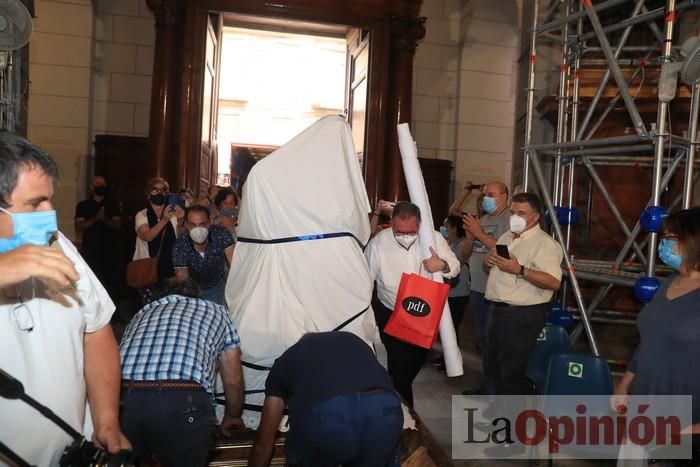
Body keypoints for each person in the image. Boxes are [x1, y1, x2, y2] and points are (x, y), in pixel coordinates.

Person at [0, 132, 130, 465]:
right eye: (34, 204)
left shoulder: (58, 245)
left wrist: (106, 420)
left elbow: (97, 329)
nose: (50, 214)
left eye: (49, 199)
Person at [119, 278, 244, 467]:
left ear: (163, 296)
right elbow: (233, 378)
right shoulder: (216, 310)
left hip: (124, 397)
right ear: (195, 295)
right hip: (182, 397)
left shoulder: (143, 313)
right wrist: (233, 415)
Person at [248, 332, 402, 467]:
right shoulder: (352, 340)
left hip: (328, 416)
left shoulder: (286, 359)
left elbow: (264, 443)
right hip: (386, 410)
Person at [611, 208, 700, 432]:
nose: (663, 245)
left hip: (685, 419)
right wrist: (623, 386)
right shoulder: (670, 282)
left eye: (670, 238)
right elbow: (649, 339)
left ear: (693, 241)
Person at [365, 201, 460, 406]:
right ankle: (404, 414)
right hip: (390, 310)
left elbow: (455, 266)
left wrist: (441, 265)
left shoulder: (433, 238)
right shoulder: (380, 242)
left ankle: (396, 400)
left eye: (410, 231)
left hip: (423, 313)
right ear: (391, 223)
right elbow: (365, 279)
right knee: (399, 367)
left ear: (419, 225)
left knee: (414, 363)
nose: (405, 235)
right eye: (399, 231)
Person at [483, 192, 563, 397]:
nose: (514, 217)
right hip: (496, 309)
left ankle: (510, 423)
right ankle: (498, 416)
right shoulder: (506, 236)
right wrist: (488, 263)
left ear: (535, 217)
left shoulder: (545, 244)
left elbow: (553, 282)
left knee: (511, 371)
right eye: (512, 212)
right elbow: (491, 268)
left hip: (521, 314)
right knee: (493, 365)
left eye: (521, 213)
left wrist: (520, 270)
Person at [461, 181, 511, 395]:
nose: (485, 198)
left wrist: (479, 233)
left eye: (490, 194)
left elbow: (506, 250)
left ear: (504, 196)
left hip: (496, 291)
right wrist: (471, 237)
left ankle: (496, 390)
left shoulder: (508, 218)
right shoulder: (483, 219)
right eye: (483, 195)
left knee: (495, 344)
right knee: (482, 341)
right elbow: (465, 255)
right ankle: (486, 385)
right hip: (478, 287)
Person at [133, 177, 183, 303]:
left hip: (171, 268)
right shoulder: (142, 215)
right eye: (155, 190)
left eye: (163, 190)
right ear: (148, 195)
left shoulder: (173, 214)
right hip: (149, 267)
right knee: (150, 306)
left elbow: (182, 238)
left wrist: (182, 220)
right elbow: (147, 236)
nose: (160, 193)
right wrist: (164, 220)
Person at [172, 205, 234, 306]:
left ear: (210, 222)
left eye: (202, 224)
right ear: (186, 225)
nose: (198, 229)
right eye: (193, 225)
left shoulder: (221, 234)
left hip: (217, 285)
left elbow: (234, 262)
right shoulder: (180, 245)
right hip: (193, 289)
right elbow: (182, 279)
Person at [432, 215, 471, 373]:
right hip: (447, 293)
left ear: (454, 228)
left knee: (452, 326)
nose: (444, 229)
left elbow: (458, 264)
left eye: (446, 226)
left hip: (458, 292)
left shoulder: (461, 244)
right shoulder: (447, 244)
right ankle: (444, 357)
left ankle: (451, 360)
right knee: (445, 326)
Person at [74, 175, 121, 302]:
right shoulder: (83, 205)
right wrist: (96, 219)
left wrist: (104, 219)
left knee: (111, 283)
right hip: (91, 250)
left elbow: (118, 226)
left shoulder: (112, 205)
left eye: (103, 184)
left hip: (110, 250)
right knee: (92, 283)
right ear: (91, 187)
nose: (101, 186)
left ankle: (114, 316)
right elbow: (79, 226)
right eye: (98, 184)